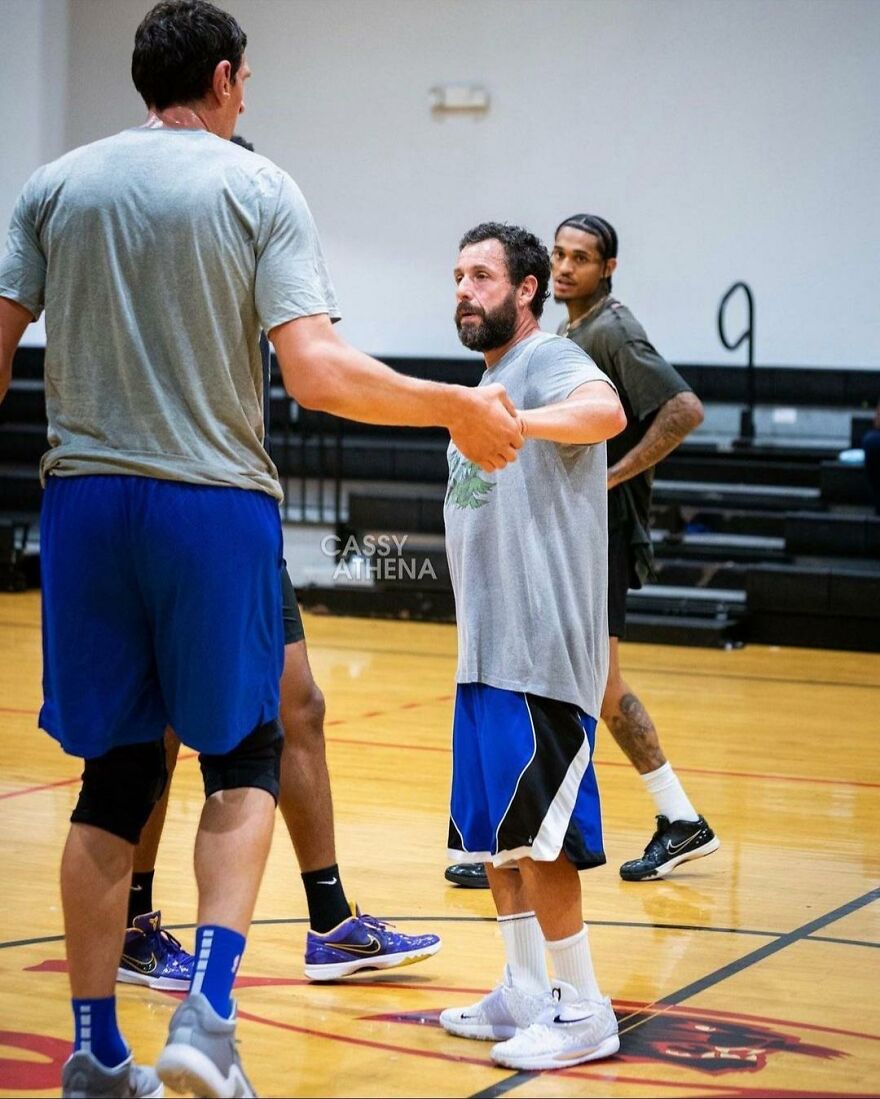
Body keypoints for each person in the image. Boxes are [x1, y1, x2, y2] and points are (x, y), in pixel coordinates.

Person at [0, 3, 522, 1096]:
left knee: (116, 775)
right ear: (227, 79)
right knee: (241, 755)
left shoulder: (52, 186)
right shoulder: (255, 184)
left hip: (84, 505)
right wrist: (451, 405)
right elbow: (318, 374)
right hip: (209, 504)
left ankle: (95, 1054)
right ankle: (211, 1019)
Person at [119, 135, 442, 994]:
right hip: (162, 505)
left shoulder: (248, 243)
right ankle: (134, 923)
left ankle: (331, 921)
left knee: (300, 701)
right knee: (161, 721)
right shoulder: (135, 240)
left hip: (235, 511)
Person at [445, 213, 718, 889]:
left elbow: (682, 407)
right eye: (560, 254)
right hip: (562, 524)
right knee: (593, 682)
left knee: (592, 682)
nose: (568, 267)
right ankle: (532, 829)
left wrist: (616, 472)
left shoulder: (608, 331)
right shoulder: (560, 335)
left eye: (582, 258)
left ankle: (637, 818)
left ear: (607, 268)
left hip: (594, 531)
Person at [439, 222, 626, 1070]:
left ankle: (584, 1007)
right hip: (484, 651)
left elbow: (608, 410)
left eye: (482, 275)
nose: (464, 290)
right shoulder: (484, 383)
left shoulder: (545, 361)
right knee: (500, 840)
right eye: (457, 276)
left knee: (542, 842)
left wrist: (526, 417)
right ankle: (520, 987)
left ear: (525, 290)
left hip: (541, 649)